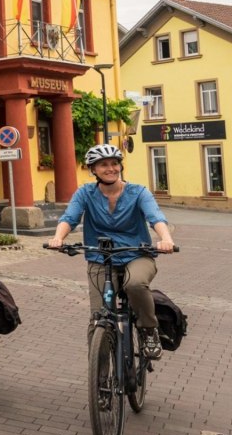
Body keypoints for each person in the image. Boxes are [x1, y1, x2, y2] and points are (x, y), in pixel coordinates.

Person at [47, 143, 176, 359]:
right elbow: (70, 218)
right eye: (104, 165)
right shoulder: (85, 193)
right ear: (93, 170)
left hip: (136, 254)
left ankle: (148, 329)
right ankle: (100, 370)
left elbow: (155, 217)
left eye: (114, 163)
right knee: (98, 316)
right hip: (101, 257)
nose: (111, 168)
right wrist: (58, 238)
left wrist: (166, 239)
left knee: (135, 284)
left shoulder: (138, 192)